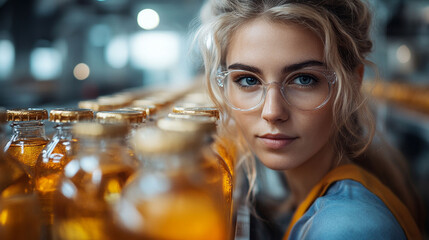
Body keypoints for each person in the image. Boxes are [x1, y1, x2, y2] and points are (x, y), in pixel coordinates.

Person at [196, 0, 424, 239]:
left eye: (303, 79)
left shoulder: (348, 229)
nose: (272, 112)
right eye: (248, 80)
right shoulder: (310, 199)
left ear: (353, 83)